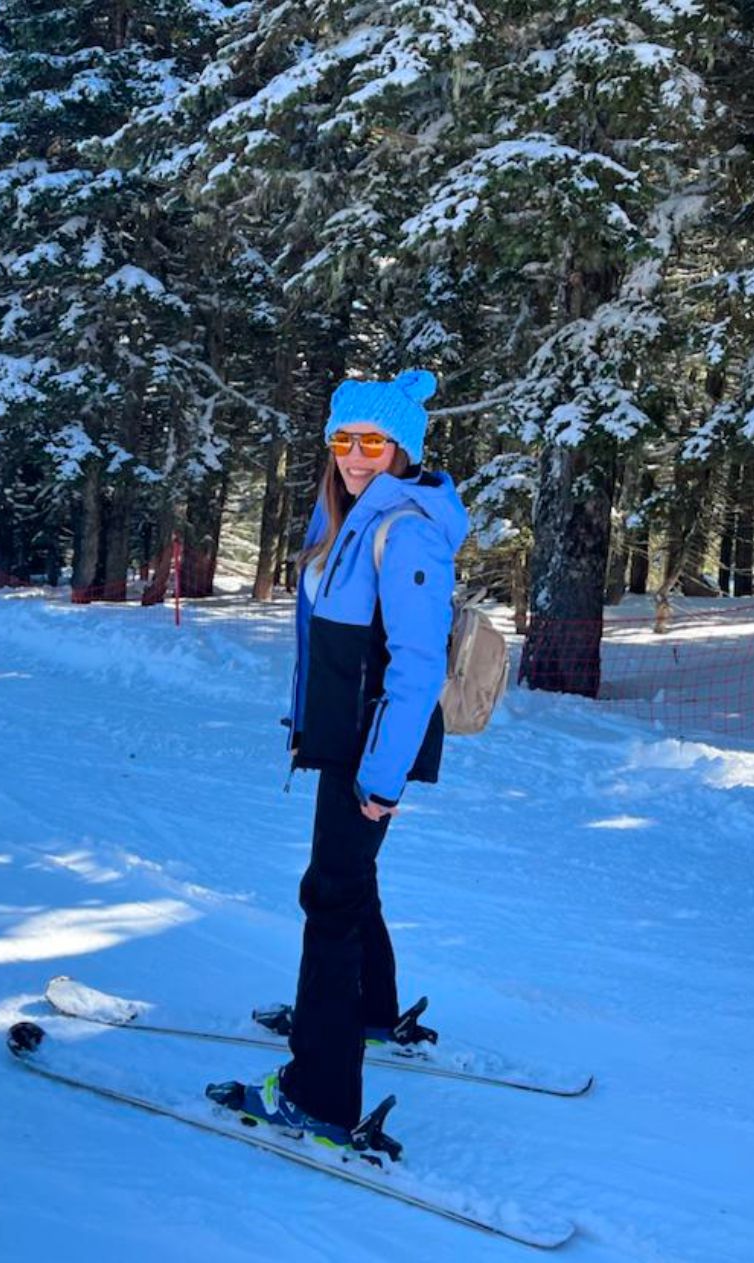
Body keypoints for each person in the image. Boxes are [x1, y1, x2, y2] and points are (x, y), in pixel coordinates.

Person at [207, 369, 468, 1156]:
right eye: (344, 440)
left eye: (373, 443)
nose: (355, 456)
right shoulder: (350, 515)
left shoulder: (406, 529)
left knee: (329, 896)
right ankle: (369, 1012)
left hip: (370, 746)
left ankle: (316, 1092)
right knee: (349, 879)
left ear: (402, 449)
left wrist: (380, 779)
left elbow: (417, 667)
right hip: (346, 736)